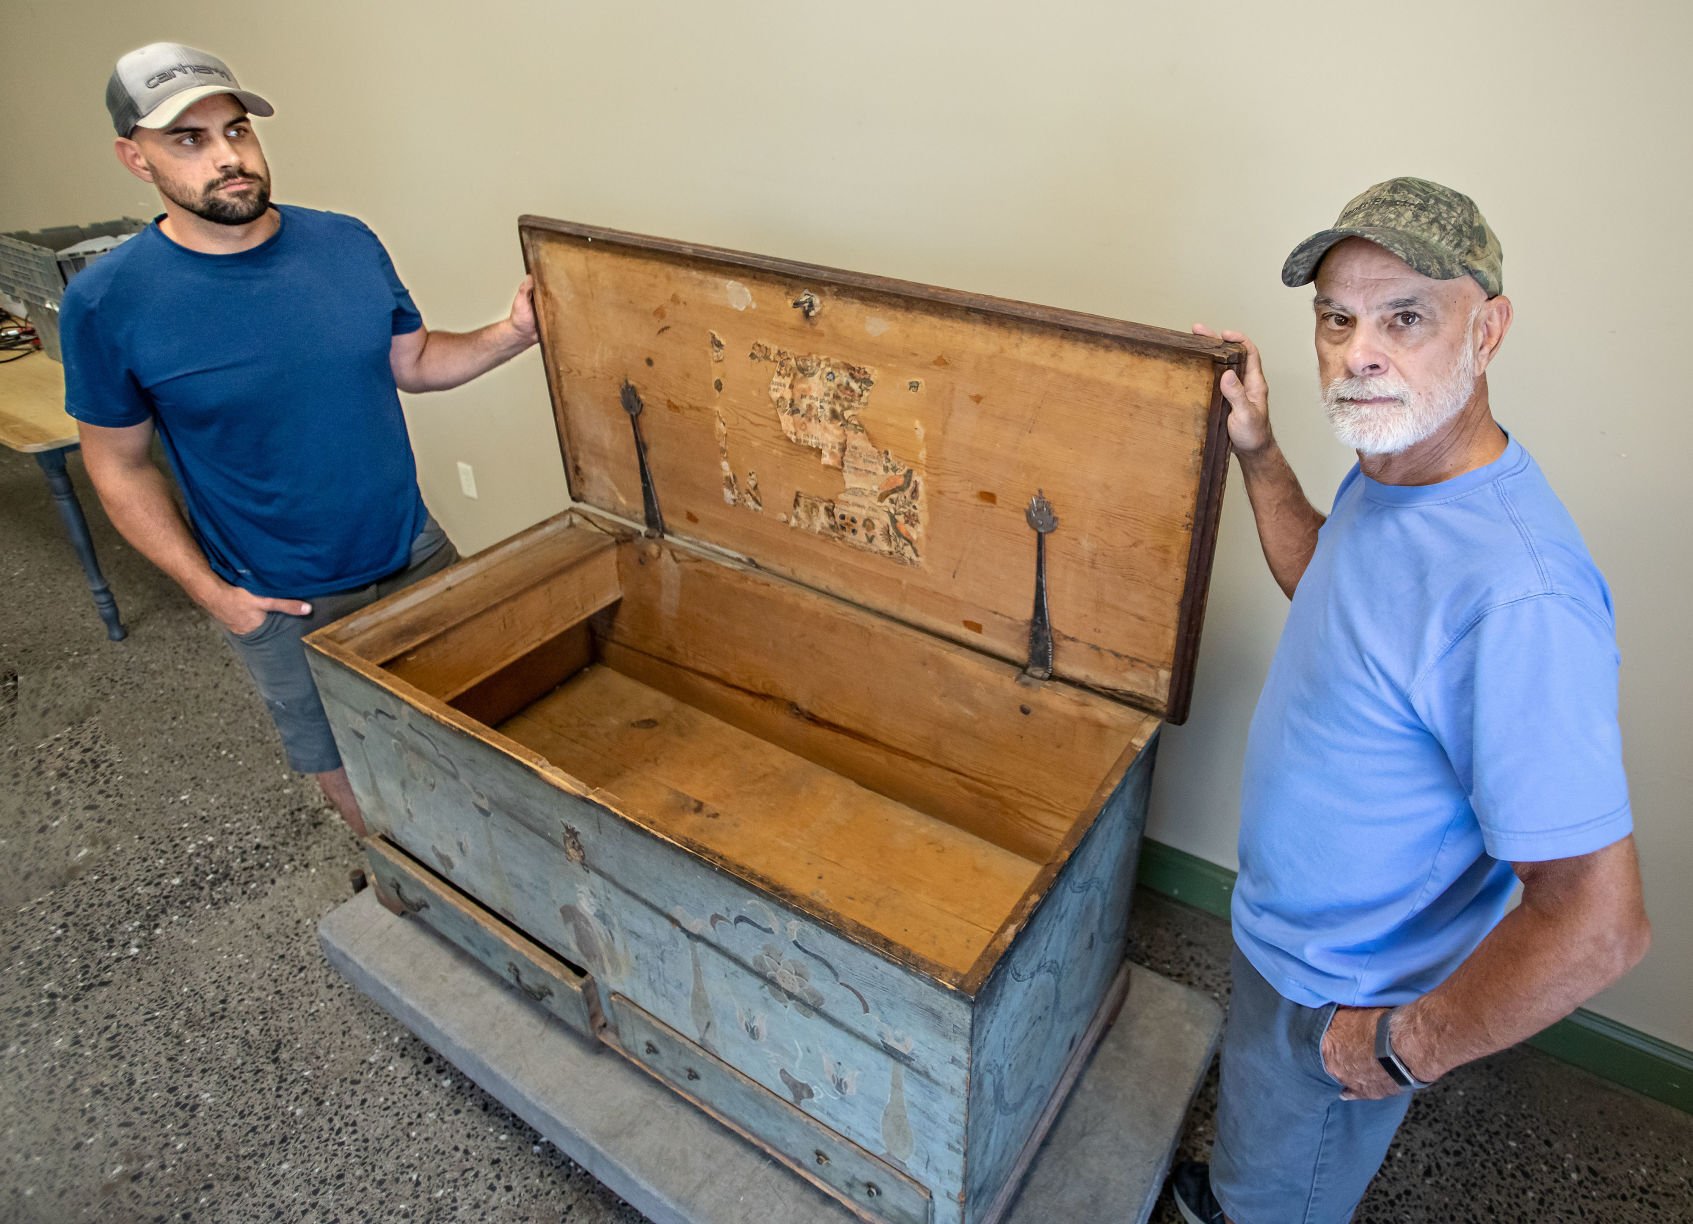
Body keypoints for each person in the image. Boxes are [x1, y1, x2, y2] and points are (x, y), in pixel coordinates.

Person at [1170, 178, 1651, 1224]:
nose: (1357, 354)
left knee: (1282, 1192)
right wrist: (1256, 449)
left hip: (1347, 991)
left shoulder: (1518, 594)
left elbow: (1598, 927)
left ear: (1487, 332)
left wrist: (1395, 1049)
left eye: (1404, 318)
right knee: (1261, 1123)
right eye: (1336, 319)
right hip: (1284, 938)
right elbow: (1330, 590)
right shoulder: (1393, 469)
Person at [60, 43, 537, 837]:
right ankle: (410, 886)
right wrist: (216, 597)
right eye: (190, 140)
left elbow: (414, 362)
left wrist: (513, 333)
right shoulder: (110, 302)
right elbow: (117, 466)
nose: (228, 158)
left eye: (236, 130)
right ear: (134, 158)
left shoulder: (344, 243)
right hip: (279, 595)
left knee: (488, 724)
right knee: (350, 772)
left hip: (413, 551)